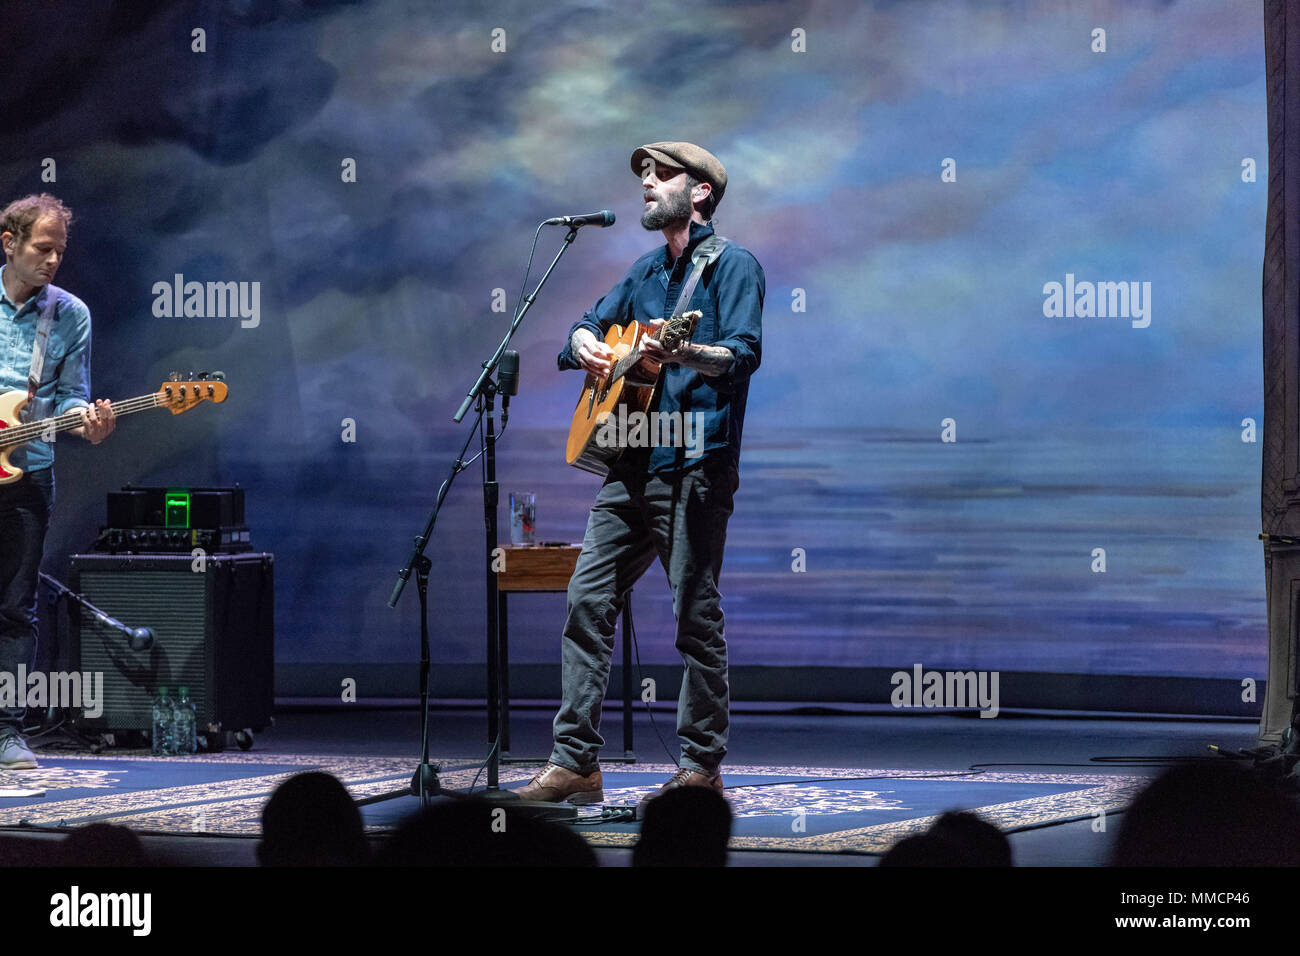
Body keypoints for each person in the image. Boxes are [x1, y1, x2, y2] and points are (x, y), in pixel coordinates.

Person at [518, 142, 763, 809]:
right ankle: (575, 763)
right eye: (643, 178)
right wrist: (584, 345)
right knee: (586, 601)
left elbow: (741, 357)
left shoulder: (733, 266)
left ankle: (701, 765)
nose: (647, 186)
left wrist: (683, 350)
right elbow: (583, 328)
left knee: (694, 615)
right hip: (629, 464)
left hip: (696, 465)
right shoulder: (643, 271)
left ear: (702, 192)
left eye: (660, 176)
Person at [0, 194, 115, 770]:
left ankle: (5, 733)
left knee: (16, 609)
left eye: (60, 252)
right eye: (42, 249)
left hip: (27, 477)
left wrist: (88, 424)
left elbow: (71, 397)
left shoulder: (70, 314)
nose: (52, 261)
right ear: (10, 243)